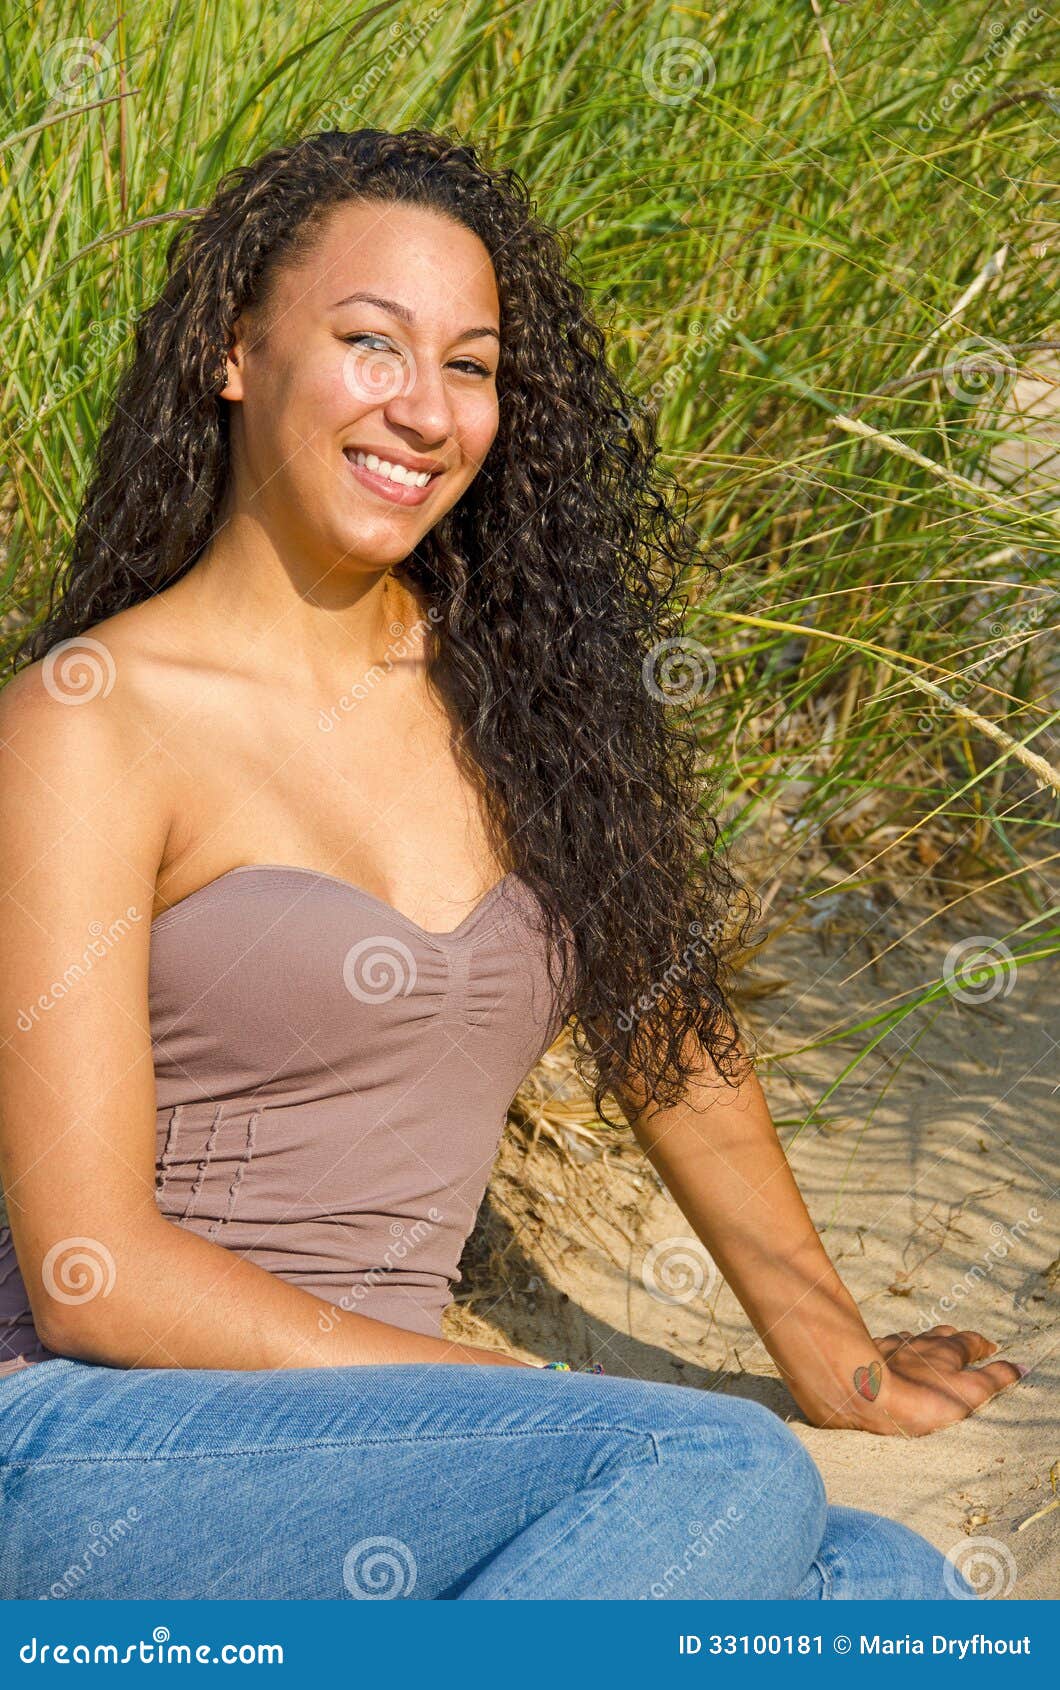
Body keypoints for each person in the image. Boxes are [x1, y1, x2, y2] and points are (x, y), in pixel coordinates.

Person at [0, 128, 1016, 1601]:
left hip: (423, 1456)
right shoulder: (87, 725)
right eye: (370, 344)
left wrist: (836, 1352)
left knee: (891, 1593)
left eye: (469, 366)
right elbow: (98, 1264)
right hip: (107, 1434)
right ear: (234, 353)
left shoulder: (514, 692)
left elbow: (662, 1020)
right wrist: (492, 1386)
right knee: (713, 1468)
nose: (424, 410)